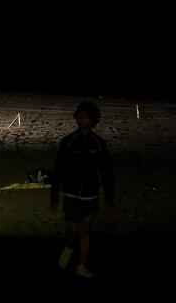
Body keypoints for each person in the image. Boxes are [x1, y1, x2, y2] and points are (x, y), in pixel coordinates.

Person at [50, 101, 115, 278]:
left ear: (93, 120)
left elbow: (106, 171)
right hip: (70, 193)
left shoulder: (99, 143)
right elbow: (58, 170)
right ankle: (70, 245)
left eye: (85, 116)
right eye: (79, 116)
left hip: (90, 194)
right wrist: (54, 196)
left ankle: (81, 265)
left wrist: (110, 199)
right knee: (74, 229)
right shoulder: (68, 141)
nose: (81, 119)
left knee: (86, 229)